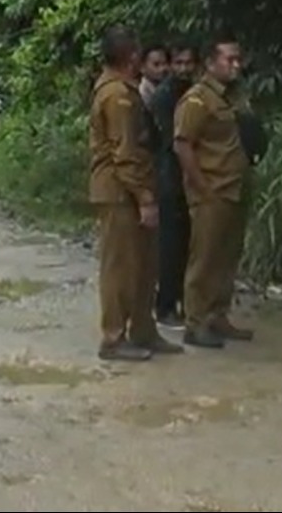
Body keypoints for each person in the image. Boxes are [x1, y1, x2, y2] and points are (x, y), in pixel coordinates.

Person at [89, 27, 182, 361]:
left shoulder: (122, 90)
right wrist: (144, 197)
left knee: (145, 265)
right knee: (120, 268)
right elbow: (125, 152)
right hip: (119, 192)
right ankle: (113, 337)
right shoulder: (118, 96)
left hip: (130, 188)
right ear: (132, 58)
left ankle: (143, 329)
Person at [174, 39, 256, 348]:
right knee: (205, 258)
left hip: (235, 188)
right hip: (213, 190)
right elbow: (183, 145)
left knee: (227, 256)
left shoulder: (231, 98)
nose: (236, 65)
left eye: (238, 59)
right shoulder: (197, 100)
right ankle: (195, 322)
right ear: (210, 63)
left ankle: (217, 315)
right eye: (229, 59)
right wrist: (201, 186)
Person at [149, 42, 198, 327]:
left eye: (187, 63)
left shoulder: (190, 94)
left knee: (184, 245)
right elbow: (172, 141)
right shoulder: (166, 97)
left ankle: (178, 301)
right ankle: (166, 305)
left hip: (181, 176)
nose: (182, 69)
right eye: (178, 63)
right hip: (170, 177)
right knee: (170, 246)